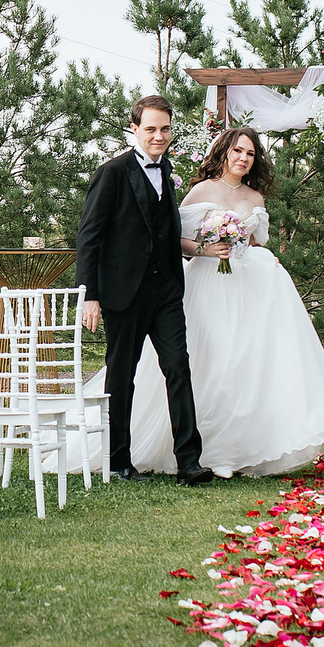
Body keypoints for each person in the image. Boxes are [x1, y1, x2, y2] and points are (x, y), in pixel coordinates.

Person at [104, 125, 324, 476]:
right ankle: (195, 449)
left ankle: (245, 448)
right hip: (207, 281)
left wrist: (264, 256)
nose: (243, 158)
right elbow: (174, 240)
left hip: (249, 285)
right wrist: (207, 250)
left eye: (250, 154)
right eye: (238, 151)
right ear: (224, 152)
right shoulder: (201, 191)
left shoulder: (256, 198)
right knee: (212, 359)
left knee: (248, 362)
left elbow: (252, 243)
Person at [77, 96, 213, 486]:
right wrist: (90, 295)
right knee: (122, 375)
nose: (158, 136)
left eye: (165, 129)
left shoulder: (166, 169)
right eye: (150, 129)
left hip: (166, 289)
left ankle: (189, 461)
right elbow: (89, 237)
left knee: (178, 368)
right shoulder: (112, 172)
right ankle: (119, 460)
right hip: (123, 292)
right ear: (134, 129)